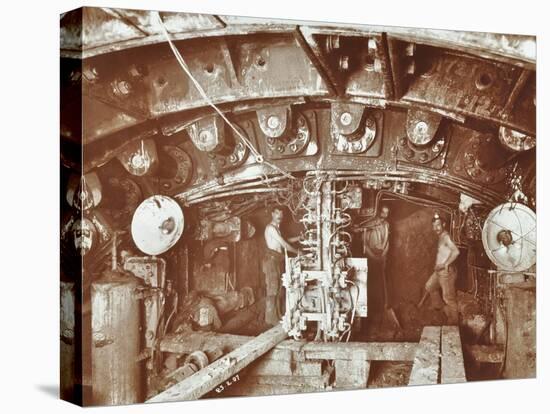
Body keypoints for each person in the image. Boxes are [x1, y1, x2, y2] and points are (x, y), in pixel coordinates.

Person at [261, 206, 299, 326]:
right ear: (272, 213)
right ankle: (270, 319)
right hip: (271, 261)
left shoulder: (277, 229)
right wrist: (299, 253)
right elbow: (285, 245)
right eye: (277, 213)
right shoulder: (270, 228)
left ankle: (276, 316)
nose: (279, 216)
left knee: (277, 290)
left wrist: (299, 238)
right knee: (273, 290)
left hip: (276, 260)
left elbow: (284, 240)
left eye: (281, 214)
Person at [354, 205, 391, 319]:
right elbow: (365, 244)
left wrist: (383, 255)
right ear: (378, 212)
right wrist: (374, 257)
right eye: (383, 212)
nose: (384, 215)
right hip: (371, 257)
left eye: (387, 213)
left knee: (382, 280)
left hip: (381, 257)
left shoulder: (386, 225)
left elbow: (387, 242)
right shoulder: (370, 224)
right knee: (372, 282)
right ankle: (374, 308)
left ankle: (384, 305)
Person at [423, 213, 460, 324]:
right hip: (438, 271)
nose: (436, 228)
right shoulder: (441, 237)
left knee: (449, 299)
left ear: (443, 224)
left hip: (446, 273)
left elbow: (456, 252)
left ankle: (453, 322)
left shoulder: (446, 237)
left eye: (438, 225)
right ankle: (440, 308)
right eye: (434, 225)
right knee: (429, 286)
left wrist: (445, 264)